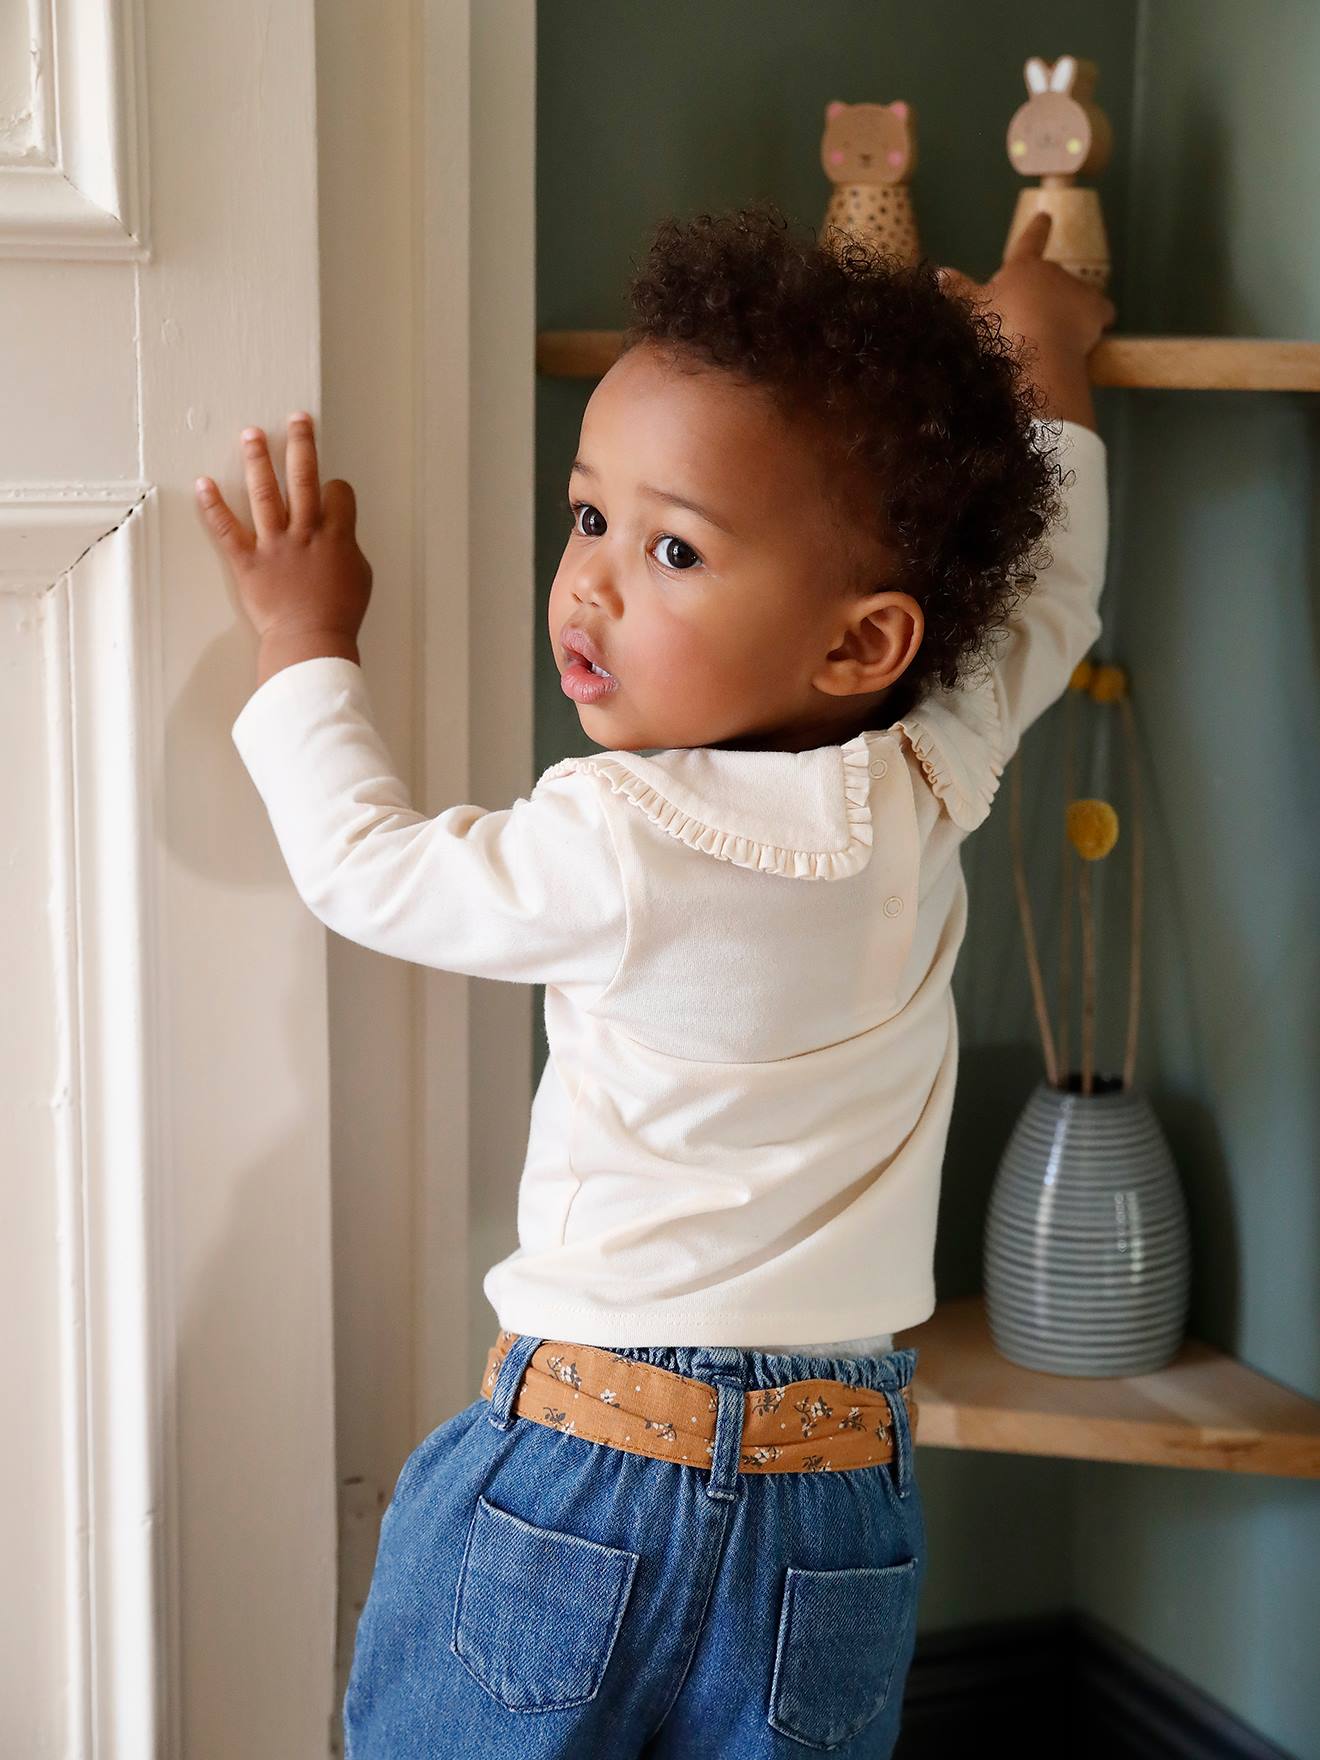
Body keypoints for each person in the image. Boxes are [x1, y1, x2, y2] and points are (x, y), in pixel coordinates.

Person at [195, 201, 1113, 1759]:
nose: (593, 586)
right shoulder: (933, 773)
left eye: (674, 547)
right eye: (588, 517)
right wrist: (1044, 358)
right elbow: (1050, 594)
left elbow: (371, 869)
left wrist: (306, 643)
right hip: (840, 1501)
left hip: (586, 1476)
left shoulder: (626, 833)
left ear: (857, 641)